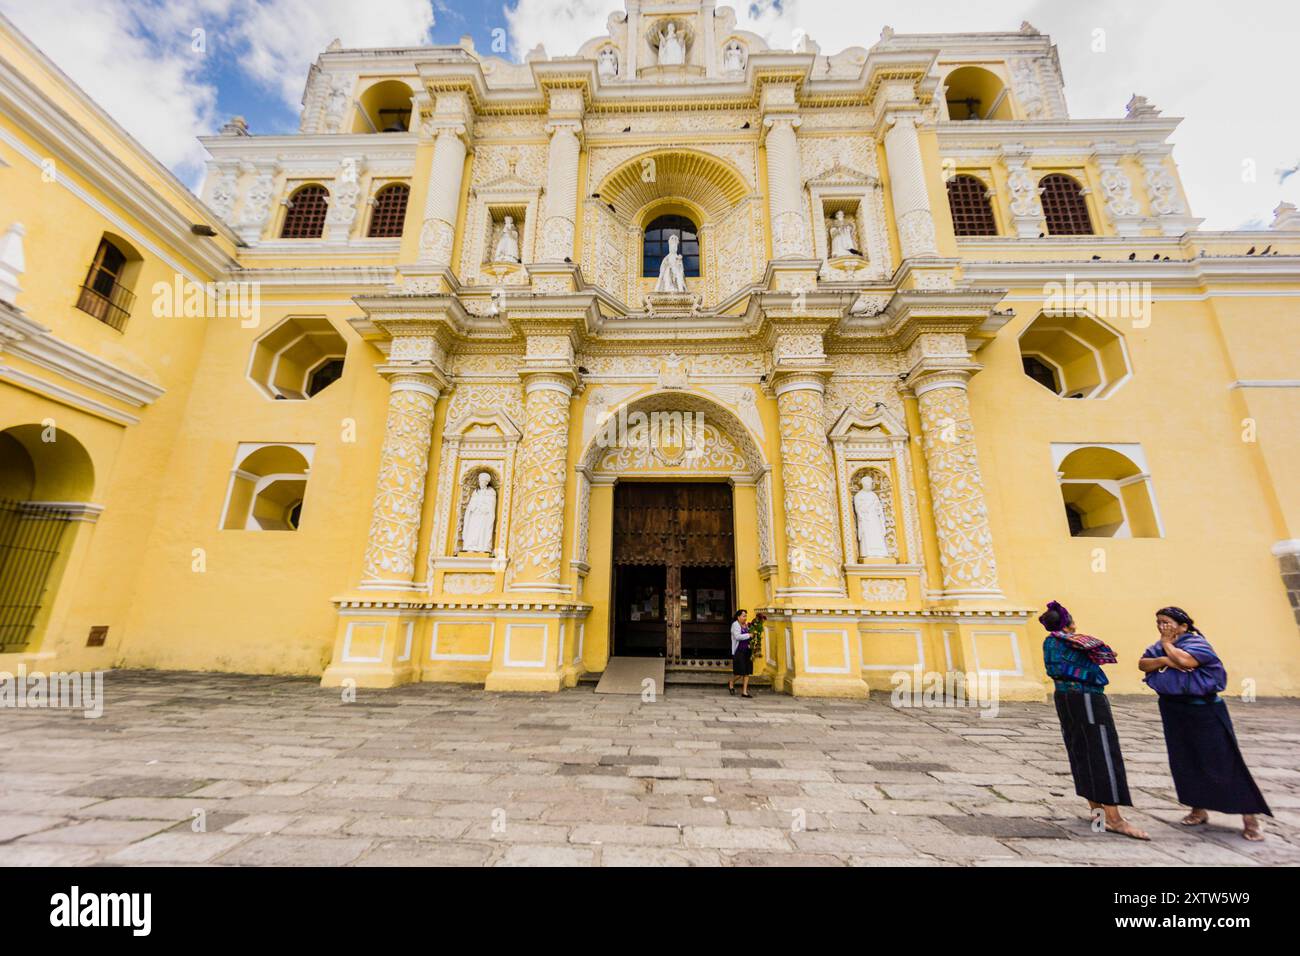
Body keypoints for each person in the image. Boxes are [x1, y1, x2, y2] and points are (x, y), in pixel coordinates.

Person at [1139, 606, 1271, 841]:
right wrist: (1163, 659)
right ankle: (1197, 809)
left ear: (1183, 626)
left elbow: (1186, 660)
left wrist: (1168, 647)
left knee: (1223, 761)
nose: (1162, 626)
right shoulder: (1157, 647)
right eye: (1159, 622)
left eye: (1167, 622)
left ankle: (1250, 817)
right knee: (1185, 760)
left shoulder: (1197, 643)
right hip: (1174, 709)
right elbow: (1143, 664)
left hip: (1204, 709)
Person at [1040, 600, 1148, 840]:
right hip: (1087, 698)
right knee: (1102, 753)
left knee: (1081, 751)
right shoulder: (1076, 641)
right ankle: (1114, 819)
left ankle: (1098, 813)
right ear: (1069, 624)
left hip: (1064, 698)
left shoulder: (1049, 643)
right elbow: (1108, 654)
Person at [728, 609, 753, 698]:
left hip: (747, 651)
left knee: (747, 672)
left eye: (746, 615)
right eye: (743, 616)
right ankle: (731, 682)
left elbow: (751, 636)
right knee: (739, 673)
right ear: (738, 617)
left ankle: (744, 692)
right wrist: (749, 635)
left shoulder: (747, 625)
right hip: (739, 651)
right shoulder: (735, 625)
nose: (745, 617)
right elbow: (737, 636)